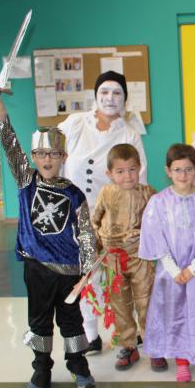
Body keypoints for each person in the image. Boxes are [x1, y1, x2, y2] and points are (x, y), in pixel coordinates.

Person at [0, 93, 95, 388]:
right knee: (39, 322)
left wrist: (87, 269)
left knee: (72, 322)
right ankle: (41, 369)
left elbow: (86, 233)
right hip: (37, 269)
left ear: (64, 157)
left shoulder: (74, 194)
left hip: (69, 271)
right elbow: (11, 147)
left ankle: (78, 365)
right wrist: (1, 117)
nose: (48, 160)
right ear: (34, 157)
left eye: (54, 154)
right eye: (42, 154)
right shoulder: (27, 182)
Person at [59, 70, 147, 353]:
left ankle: (127, 330)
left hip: (115, 220)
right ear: (95, 96)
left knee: (119, 276)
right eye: (105, 92)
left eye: (117, 93)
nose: (110, 98)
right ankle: (90, 333)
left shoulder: (129, 133)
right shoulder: (75, 124)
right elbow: (50, 151)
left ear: (125, 99)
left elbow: (140, 178)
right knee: (86, 274)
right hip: (75, 214)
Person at [139, 144, 195, 382]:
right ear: (168, 171)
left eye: (188, 169)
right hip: (171, 273)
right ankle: (182, 360)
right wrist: (174, 269)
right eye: (177, 170)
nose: (183, 175)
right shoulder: (158, 202)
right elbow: (155, 237)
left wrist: (194, 268)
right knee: (174, 314)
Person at [90, 144, 157, 371]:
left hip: (140, 258)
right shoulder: (105, 193)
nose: (127, 176)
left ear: (139, 168)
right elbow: (95, 221)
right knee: (120, 304)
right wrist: (96, 244)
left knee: (146, 301)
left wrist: (144, 235)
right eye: (120, 171)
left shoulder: (148, 193)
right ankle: (128, 346)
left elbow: (159, 223)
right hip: (113, 261)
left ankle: (153, 344)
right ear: (109, 173)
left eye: (132, 169)